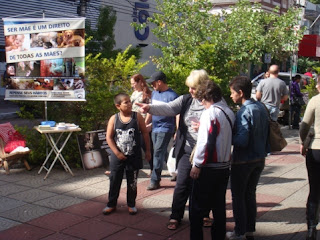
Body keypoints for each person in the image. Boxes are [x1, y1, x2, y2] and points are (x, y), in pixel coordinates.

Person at [136, 69, 209, 230]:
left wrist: (204, 127)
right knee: (182, 183)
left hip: (205, 151)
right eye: (190, 87)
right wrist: (149, 108)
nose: (190, 91)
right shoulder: (185, 100)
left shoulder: (212, 103)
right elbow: (169, 108)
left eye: (194, 88)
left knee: (203, 185)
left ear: (204, 87)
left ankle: (204, 213)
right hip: (186, 149)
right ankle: (176, 215)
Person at [189, 80, 235, 240]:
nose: (201, 103)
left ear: (207, 97)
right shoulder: (228, 111)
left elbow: (204, 141)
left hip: (209, 167)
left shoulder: (210, 113)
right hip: (223, 166)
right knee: (218, 207)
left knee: (196, 210)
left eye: (202, 99)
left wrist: (197, 164)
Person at [226, 76, 269, 240]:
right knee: (250, 194)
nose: (231, 96)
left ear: (240, 92)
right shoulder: (260, 107)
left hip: (243, 161)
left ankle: (239, 231)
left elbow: (242, 141)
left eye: (232, 92)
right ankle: (249, 228)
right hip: (259, 158)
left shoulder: (244, 111)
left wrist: (227, 136)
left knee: (238, 196)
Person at [102, 93, 151, 215]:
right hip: (118, 156)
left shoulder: (137, 116)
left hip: (133, 155)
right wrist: (117, 153)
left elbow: (145, 133)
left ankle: (131, 204)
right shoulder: (114, 119)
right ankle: (111, 204)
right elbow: (109, 137)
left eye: (130, 101)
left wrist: (148, 151)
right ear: (118, 106)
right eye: (126, 102)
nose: (129, 104)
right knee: (114, 180)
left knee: (132, 181)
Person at [145, 71, 179, 190]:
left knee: (158, 153)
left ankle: (155, 180)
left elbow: (177, 114)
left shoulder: (173, 96)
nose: (152, 86)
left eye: (153, 83)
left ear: (159, 82)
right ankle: (175, 171)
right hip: (155, 127)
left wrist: (177, 130)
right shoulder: (154, 93)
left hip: (165, 128)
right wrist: (145, 124)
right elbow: (151, 109)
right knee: (162, 152)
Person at [299, 80, 320, 240]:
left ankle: (311, 227)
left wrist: (303, 142)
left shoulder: (315, 100)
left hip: (316, 149)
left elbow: (304, 125)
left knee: (314, 189)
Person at [130, 73, 153, 174]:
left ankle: (154, 169)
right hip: (134, 122)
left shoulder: (147, 93)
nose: (132, 85)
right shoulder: (134, 93)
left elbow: (150, 110)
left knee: (147, 146)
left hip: (144, 122)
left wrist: (145, 123)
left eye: (133, 83)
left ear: (139, 82)